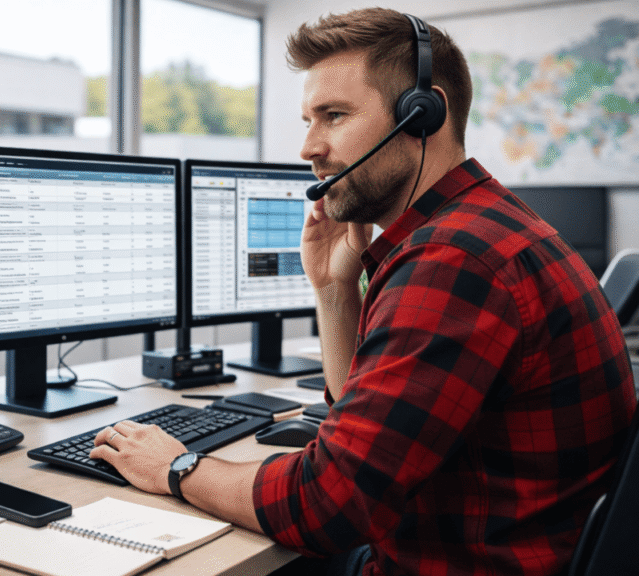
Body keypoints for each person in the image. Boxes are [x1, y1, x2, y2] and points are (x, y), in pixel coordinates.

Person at [89, 8, 636, 576]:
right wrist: (334, 290)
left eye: (334, 116)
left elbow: (330, 504)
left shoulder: (455, 261)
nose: (308, 147)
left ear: (422, 116)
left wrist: (178, 467)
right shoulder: (479, 226)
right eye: (308, 119)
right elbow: (369, 436)